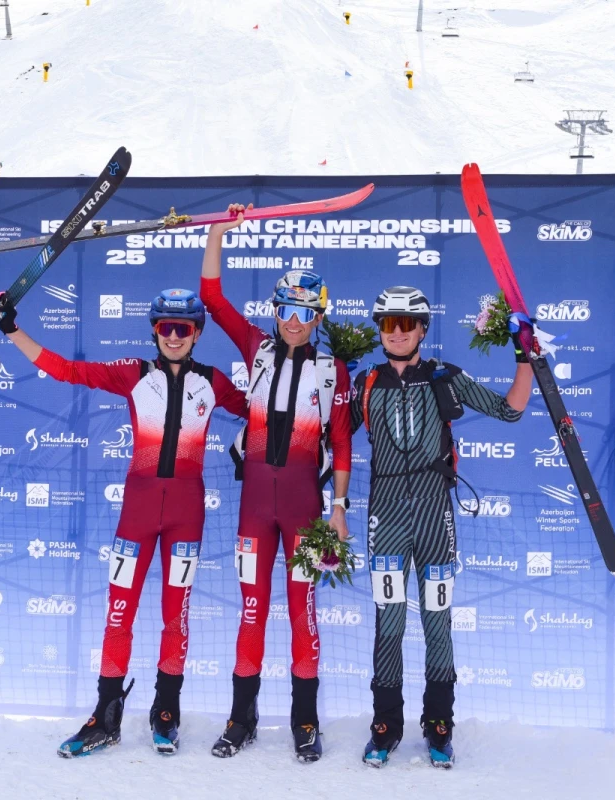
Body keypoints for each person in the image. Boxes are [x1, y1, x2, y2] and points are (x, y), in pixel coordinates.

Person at [0, 288, 248, 757]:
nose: (174, 337)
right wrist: (10, 330)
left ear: (197, 333)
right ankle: (105, 716)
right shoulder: (133, 374)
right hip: (139, 511)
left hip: (187, 514)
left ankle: (166, 709)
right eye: (166, 328)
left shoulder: (214, 382)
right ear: (153, 329)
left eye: (183, 329)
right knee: (118, 612)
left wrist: (332, 403)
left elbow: (269, 413)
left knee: (177, 616)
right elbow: (66, 370)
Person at [350, 288, 531, 769]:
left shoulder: (444, 378)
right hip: (385, 517)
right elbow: (327, 437)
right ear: (380, 331)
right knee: (388, 625)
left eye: (408, 324)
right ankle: (385, 728)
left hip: (435, 517)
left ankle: (439, 729)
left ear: (423, 330)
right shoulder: (366, 382)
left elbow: (510, 410)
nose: (399, 332)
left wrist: (525, 354)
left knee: (438, 625)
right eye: (389, 324)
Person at [199, 204, 353, 764]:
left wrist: (338, 508)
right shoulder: (256, 349)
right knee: (251, 611)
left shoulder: (333, 370)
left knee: (303, 611)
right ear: (275, 311)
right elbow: (212, 298)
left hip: (306, 513)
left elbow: (341, 441)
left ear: (318, 317)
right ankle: (242, 718)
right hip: (253, 511)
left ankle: (305, 721)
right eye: (286, 308)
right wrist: (218, 231)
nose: (293, 319)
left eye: (305, 311)